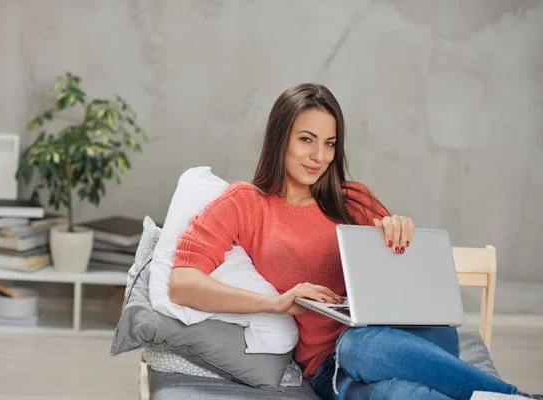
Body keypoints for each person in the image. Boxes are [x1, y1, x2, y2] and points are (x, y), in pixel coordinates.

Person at [168, 83, 533, 399]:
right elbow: (183, 282)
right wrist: (277, 303)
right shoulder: (245, 203)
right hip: (332, 364)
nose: (319, 156)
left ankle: (514, 398)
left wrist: (401, 233)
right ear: (280, 137)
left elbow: (405, 284)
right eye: (306, 140)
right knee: (395, 392)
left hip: (413, 339)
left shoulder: (354, 198)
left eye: (329, 143)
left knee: (364, 343)